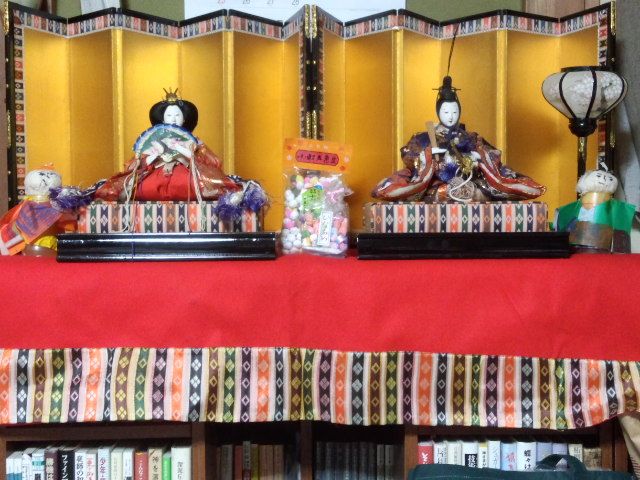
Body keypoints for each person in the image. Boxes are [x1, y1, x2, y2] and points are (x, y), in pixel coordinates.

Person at [372, 76, 546, 202]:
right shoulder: (424, 137)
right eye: (446, 112)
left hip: (471, 181)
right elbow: (409, 156)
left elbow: (493, 154)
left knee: (478, 192)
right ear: (438, 112)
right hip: (436, 184)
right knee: (441, 192)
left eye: (455, 111)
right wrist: (428, 154)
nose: (450, 116)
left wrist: (479, 157)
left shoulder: (470, 137)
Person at [95, 89, 242, 203]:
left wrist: (181, 149)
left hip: (185, 171)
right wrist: (154, 155)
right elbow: (134, 165)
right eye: (169, 116)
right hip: (157, 171)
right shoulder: (155, 138)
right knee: (143, 187)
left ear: (184, 119)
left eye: (177, 116)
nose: (173, 119)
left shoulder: (193, 140)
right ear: (163, 119)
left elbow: (211, 161)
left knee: (191, 185)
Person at [555, 169, 635, 253]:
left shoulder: (613, 214)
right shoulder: (572, 214)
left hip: (603, 250)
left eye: (609, 179)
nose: (603, 179)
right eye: (599, 176)